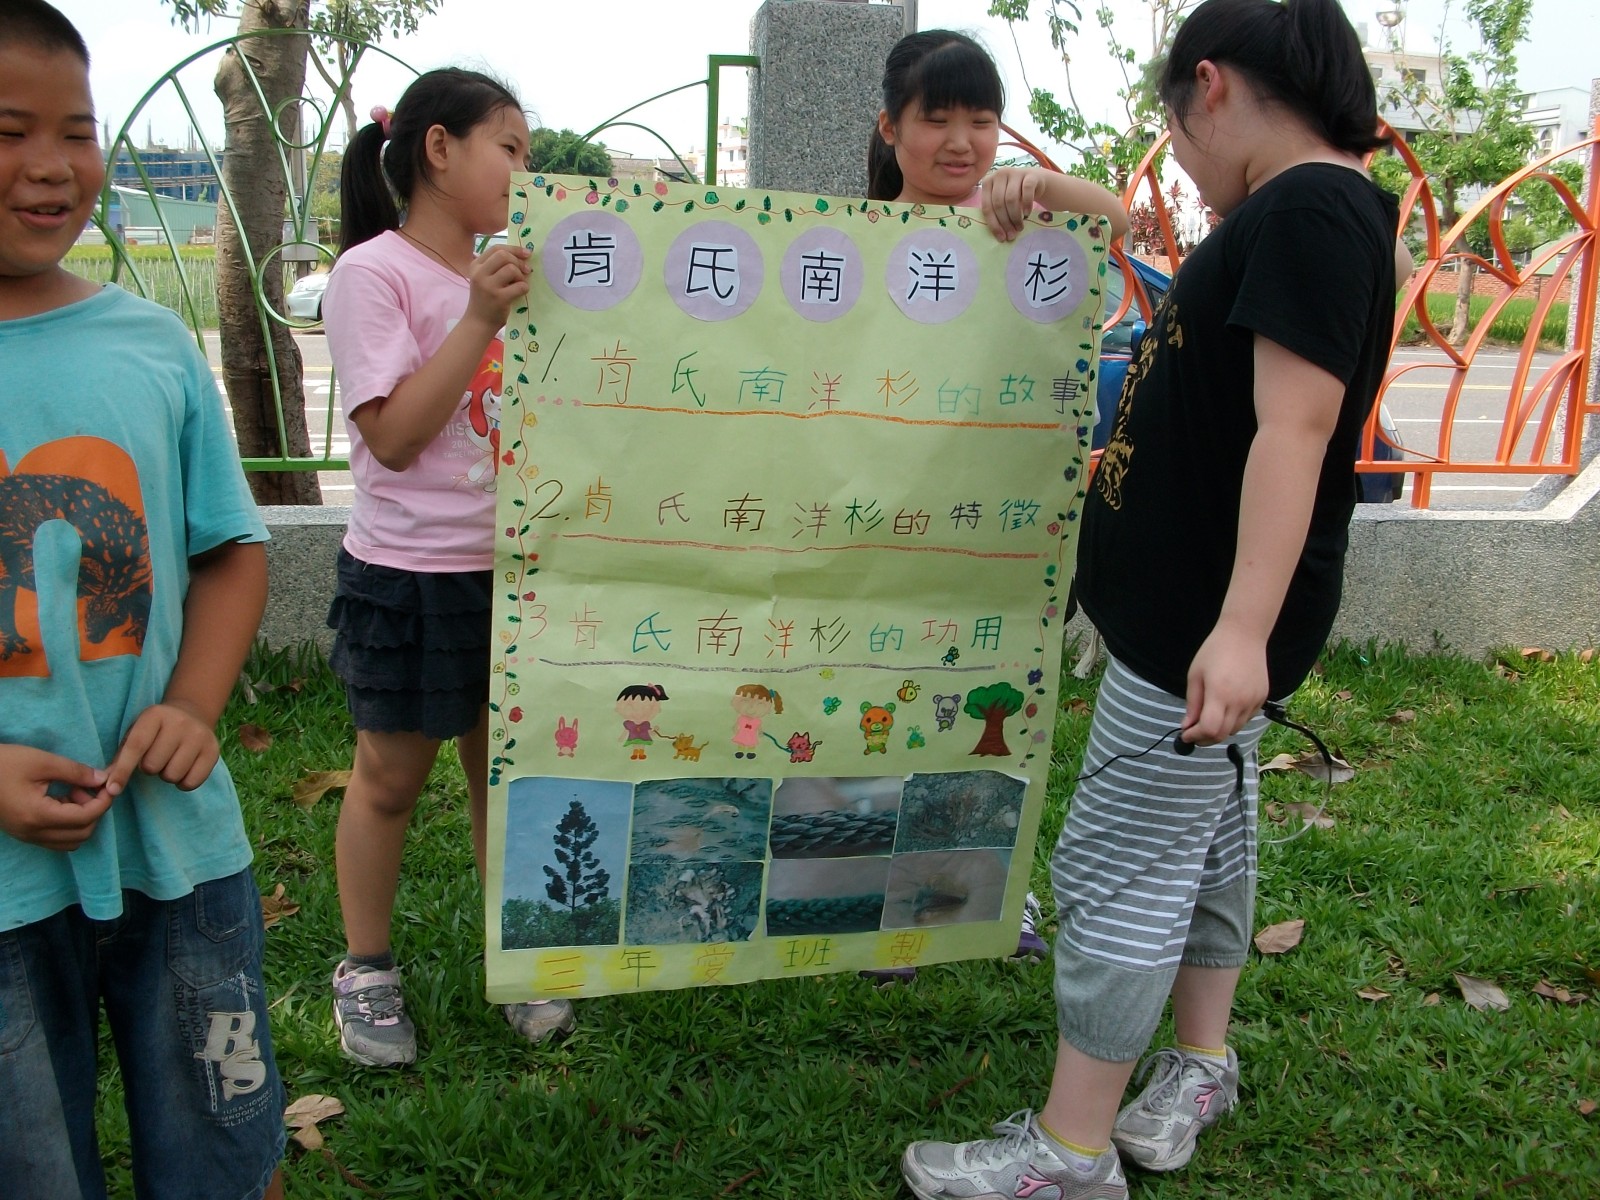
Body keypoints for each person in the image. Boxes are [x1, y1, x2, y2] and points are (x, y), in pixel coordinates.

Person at [901, 1, 1399, 1196]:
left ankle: (1069, 1152)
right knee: (1207, 838)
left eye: (1173, 126)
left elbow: (1296, 428)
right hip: (1203, 619)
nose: (1177, 154)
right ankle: (1200, 1063)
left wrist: (1236, 632)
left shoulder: (1307, 210)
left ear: (1208, 86)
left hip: (1195, 626)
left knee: (1118, 865)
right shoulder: (1315, 208)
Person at [0, 2, 285, 1195]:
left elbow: (230, 550)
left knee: (226, 1145)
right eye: (8, 131)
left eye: (77, 130)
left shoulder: (153, 345)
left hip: (178, 850)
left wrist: (194, 703)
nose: (50, 165)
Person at [864, 30, 1129, 987]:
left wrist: (1039, 184)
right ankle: (886, 901)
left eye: (982, 120)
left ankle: (985, 892)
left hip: (998, 532)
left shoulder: (1016, 222)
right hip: (883, 528)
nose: (962, 140)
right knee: (883, 712)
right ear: (890, 128)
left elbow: (1118, 220)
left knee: (988, 708)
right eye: (936, 118)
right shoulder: (849, 240)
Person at [322, 67, 575, 1066]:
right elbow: (391, 439)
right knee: (389, 777)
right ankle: (366, 969)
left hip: (511, 571)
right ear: (439, 148)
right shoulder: (372, 274)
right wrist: (477, 319)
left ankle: (516, 956)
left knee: (501, 779)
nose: (524, 171)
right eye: (508, 148)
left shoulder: (505, 275)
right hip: (410, 575)